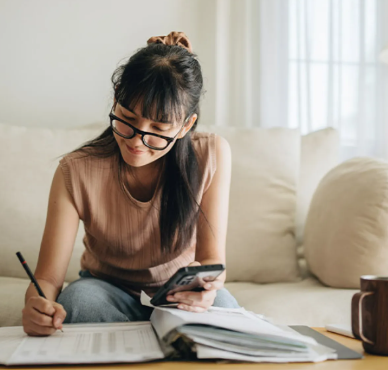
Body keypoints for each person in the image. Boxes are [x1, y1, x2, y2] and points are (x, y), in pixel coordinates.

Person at [21, 31, 239, 337]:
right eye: (127, 119)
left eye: (159, 129)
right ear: (116, 97)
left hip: (178, 292)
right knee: (79, 303)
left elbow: (212, 260)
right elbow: (47, 277)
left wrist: (208, 288)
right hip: (106, 288)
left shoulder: (211, 153)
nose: (138, 141)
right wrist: (36, 303)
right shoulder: (76, 169)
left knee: (226, 314)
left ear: (185, 126)